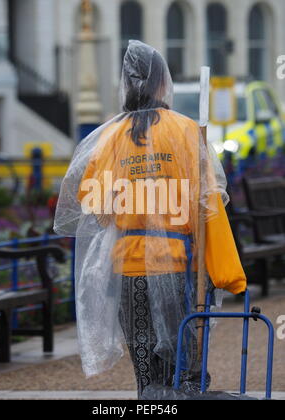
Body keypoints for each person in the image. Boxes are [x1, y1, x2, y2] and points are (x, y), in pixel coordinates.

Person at [54, 40, 247, 399]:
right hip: (177, 268)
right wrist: (228, 274)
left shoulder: (109, 138)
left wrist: (133, 195)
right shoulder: (187, 132)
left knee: (147, 374)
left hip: (128, 271)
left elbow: (91, 203)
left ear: (126, 84)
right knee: (185, 370)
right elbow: (209, 208)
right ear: (162, 83)